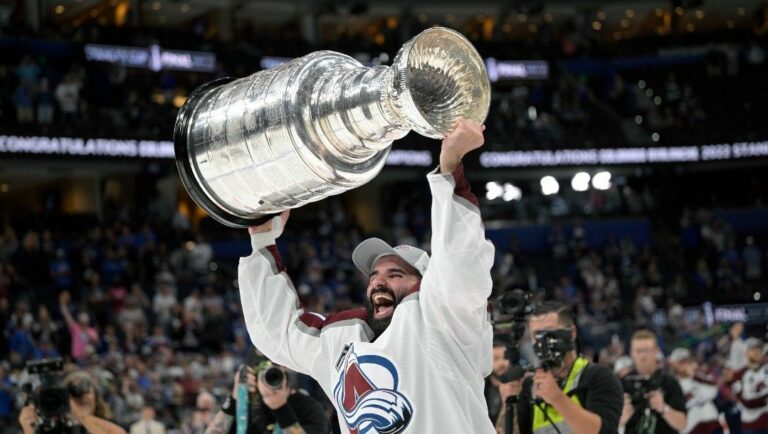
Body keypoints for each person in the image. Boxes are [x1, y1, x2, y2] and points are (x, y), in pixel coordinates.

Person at [237, 119, 496, 433]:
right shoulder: (342, 340)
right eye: (373, 275)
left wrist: (449, 167)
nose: (378, 281)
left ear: (427, 284)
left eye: (395, 273)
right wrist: (262, 241)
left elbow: (460, 265)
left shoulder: (446, 325)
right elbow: (276, 332)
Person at [514, 301, 623, 434]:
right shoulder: (529, 386)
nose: (542, 341)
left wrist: (557, 398)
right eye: (536, 335)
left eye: (549, 332)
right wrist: (507, 404)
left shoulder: (599, 377)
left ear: (571, 332)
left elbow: (605, 431)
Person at [205, 364, 330, 434]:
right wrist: (234, 398)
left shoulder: (308, 407)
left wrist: (280, 407)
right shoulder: (246, 404)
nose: (271, 379)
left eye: (276, 372)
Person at [620, 330, 687, 434]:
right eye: (638, 351)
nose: (643, 355)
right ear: (631, 352)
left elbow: (682, 424)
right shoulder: (622, 384)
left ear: (656, 351)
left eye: (647, 350)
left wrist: (664, 408)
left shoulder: (669, 383)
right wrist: (622, 418)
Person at [19, 371, 127, 434]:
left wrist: (82, 417)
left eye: (86, 391)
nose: (82, 397)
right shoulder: (57, 427)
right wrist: (28, 428)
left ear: (96, 397)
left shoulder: (108, 423)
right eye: (74, 394)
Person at [668, 348, 721, 434]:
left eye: (686, 361)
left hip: (713, 425)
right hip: (692, 430)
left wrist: (695, 376)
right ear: (674, 365)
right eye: (681, 362)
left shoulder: (698, 377)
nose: (684, 365)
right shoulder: (671, 385)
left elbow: (714, 390)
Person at [729, 338, 768, 434]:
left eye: (759, 349)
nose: (757, 352)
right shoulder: (739, 375)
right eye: (753, 349)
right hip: (753, 425)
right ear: (745, 352)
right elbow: (743, 402)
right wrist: (764, 400)